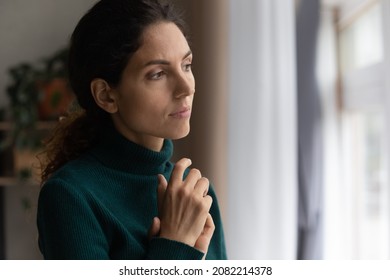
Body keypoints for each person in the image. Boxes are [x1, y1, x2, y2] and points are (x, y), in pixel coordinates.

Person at [36, 0, 227, 260]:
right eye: (158, 74)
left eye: (186, 65)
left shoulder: (195, 194)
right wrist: (175, 245)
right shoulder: (70, 196)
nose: (186, 88)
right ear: (106, 96)